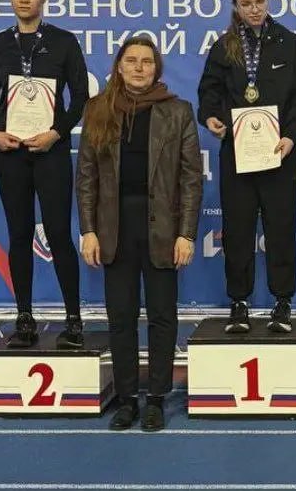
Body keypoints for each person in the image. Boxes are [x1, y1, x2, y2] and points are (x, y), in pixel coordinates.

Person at [76, 36, 202, 433]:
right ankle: (127, 399)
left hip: (162, 230)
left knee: (163, 317)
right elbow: (86, 177)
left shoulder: (178, 112)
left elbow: (191, 179)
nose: (138, 67)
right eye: (131, 60)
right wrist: (88, 230)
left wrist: (186, 234)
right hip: (114, 231)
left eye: (147, 61)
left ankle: (157, 399)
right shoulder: (98, 109)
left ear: (156, 69)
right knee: (121, 318)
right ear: (119, 66)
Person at [198, 0, 296, 334]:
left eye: (260, 1)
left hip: (279, 154)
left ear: (268, 1)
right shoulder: (224, 47)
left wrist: (291, 136)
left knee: (281, 228)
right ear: (235, 6)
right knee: (237, 230)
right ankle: (239, 302)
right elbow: (208, 92)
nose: (254, 9)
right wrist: (211, 118)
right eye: (246, 3)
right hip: (237, 154)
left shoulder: (290, 45)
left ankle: (283, 302)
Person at [0, 0, 90, 349]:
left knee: (58, 234)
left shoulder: (64, 42)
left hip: (50, 152)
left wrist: (57, 132)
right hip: (10, 153)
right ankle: (24, 317)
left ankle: (73, 319)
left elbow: (80, 97)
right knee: (19, 234)